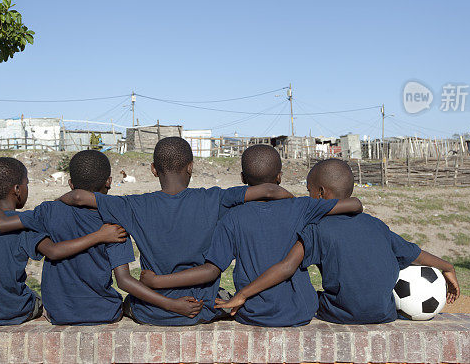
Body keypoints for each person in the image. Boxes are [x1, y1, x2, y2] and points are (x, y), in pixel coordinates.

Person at [58, 137, 295, 326]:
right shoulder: (214, 198)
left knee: (128, 303)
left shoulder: (131, 205)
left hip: (153, 312)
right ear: (190, 167)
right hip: (200, 309)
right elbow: (269, 191)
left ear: (153, 169)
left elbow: (78, 196)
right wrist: (299, 205)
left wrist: (47, 211)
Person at [138, 145, 363, 327]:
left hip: (253, 313)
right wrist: (296, 201)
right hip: (300, 310)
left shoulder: (231, 218)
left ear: (243, 177)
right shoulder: (302, 207)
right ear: (280, 177)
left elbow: (212, 269)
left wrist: (158, 281)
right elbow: (354, 203)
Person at [215, 158, 460, 324]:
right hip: (385, 314)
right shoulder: (377, 225)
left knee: (313, 297)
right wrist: (447, 266)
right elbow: (414, 253)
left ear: (321, 194)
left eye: (310, 190)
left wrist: (243, 294)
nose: (308, 196)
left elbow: (287, 267)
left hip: (340, 314)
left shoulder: (317, 228)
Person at [0, 150, 203, 324]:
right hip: (103, 311)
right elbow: (124, 281)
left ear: (70, 184)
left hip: (59, 313)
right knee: (131, 303)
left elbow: (3, 223)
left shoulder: (48, 211)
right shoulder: (114, 223)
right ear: (108, 182)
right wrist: (171, 304)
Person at [0, 157, 126, 326]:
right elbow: (53, 251)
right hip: (10, 312)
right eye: (27, 183)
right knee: (35, 300)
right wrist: (99, 235)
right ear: (17, 189)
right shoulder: (23, 225)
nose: (27, 188)